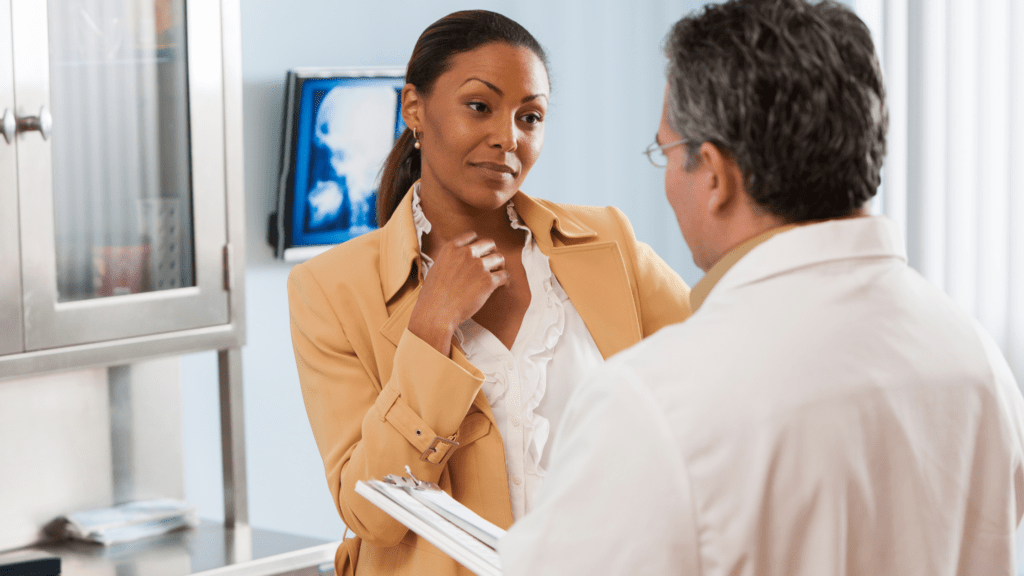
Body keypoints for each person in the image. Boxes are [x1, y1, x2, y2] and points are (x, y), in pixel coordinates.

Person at [499, 1, 1024, 574]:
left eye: (668, 153)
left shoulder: (653, 404)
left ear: (716, 176)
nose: (669, 182)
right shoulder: (977, 363)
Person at [287, 10, 691, 576]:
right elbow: (370, 512)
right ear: (414, 110)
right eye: (480, 106)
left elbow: (720, 391)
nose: (509, 138)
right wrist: (430, 328)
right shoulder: (330, 290)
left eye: (531, 117)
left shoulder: (609, 246)